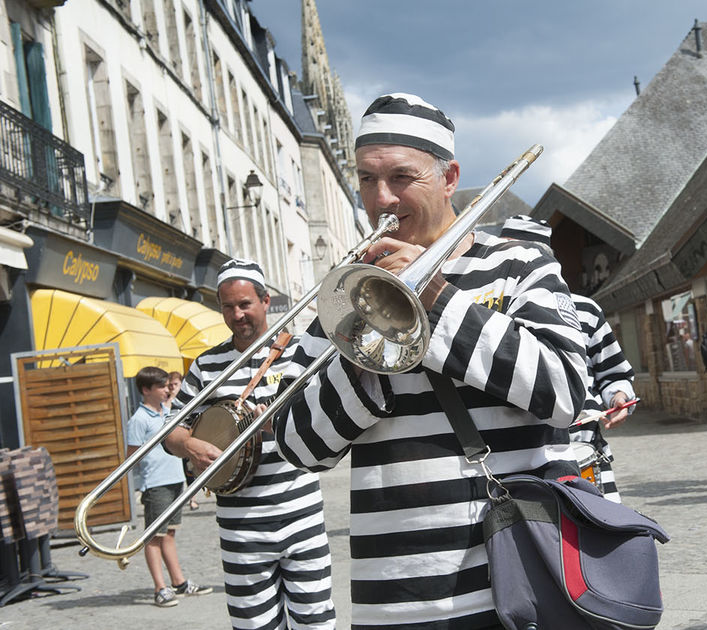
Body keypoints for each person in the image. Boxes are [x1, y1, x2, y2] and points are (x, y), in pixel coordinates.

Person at [274, 93, 588, 628]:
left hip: (520, 575)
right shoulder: (344, 291)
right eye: (367, 179)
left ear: (449, 177)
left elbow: (563, 391)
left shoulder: (517, 260)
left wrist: (436, 298)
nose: (382, 198)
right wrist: (366, 344)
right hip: (397, 593)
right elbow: (299, 445)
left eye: (401, 176)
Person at [165, 259, 336, 630]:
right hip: (239, 525)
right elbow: (170, 429)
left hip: (301, 516)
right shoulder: (206, 365)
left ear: (265, 300)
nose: (237, 314)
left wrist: (285, 424)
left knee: (316, 623)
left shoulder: (301, 352)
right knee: (253, 625)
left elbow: (329, 420)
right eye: (228, 307)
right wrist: (191, 445)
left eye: (245, 304)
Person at [500, 215, 636, 502]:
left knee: (599, 540)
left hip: (583, 446)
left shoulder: (585, 310)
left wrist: (618, 397)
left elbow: (614, 374)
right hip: (516, 458)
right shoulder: (487, 313)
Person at [126, 366, 212, 608]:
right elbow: (131, 457)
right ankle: (160, 588)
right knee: (154, 537)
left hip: (174, 479)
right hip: (155, 484)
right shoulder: (139, 419)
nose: (167, 390)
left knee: (169, 533)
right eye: (162, 387)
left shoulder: (167, 412)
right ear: (146, 390)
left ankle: (178, 582)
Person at [164, 371, 200, 511]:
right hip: (177, 442)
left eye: (176, 384)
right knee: (187, 472)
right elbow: (168, 419)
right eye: (170, 385)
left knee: (191, 471)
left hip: (190, 438)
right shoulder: (168, 400)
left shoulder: (191, 394)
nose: (173, 387)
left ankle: (193, 498)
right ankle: (192, 497)